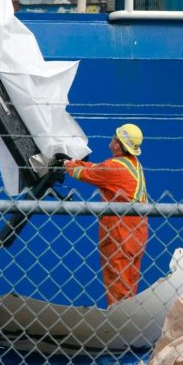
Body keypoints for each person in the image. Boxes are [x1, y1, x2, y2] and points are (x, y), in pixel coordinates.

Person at [63, 124, 149, 306]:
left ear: (118, 144)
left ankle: (120, 323)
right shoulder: (132, 164)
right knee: (129, 283)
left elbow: (86, 174)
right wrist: (75, 161)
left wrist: (66, 164)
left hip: (120, 231)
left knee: (118, 284)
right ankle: (128, 322)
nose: (111, 139)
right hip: (137, 231)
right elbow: (98, 168)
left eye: (114, 136)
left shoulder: (114, 167)